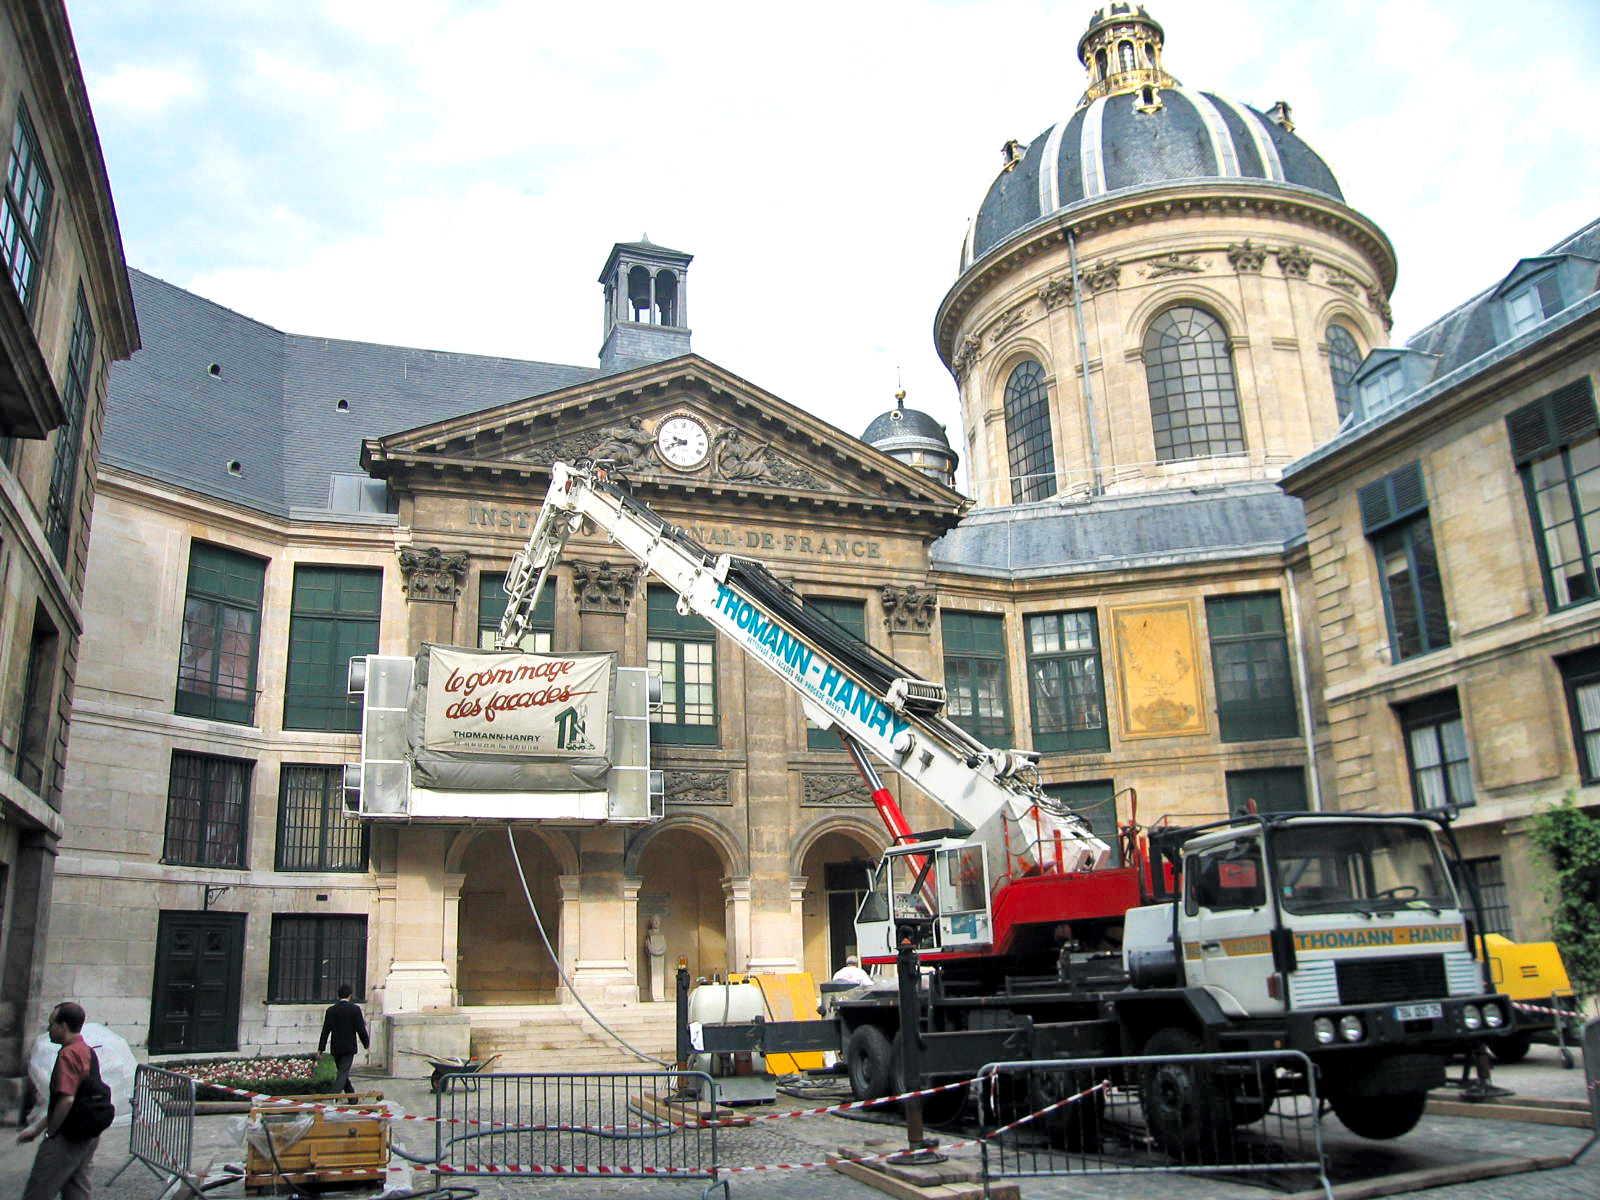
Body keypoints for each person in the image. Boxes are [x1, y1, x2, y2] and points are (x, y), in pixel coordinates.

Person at [17, 1001, 102, 1200]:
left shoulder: (68, 1054)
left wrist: (51, 1133)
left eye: (51, 1024)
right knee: (77, 1188)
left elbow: (66, 1099)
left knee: (39, 1188)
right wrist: (37, 1128)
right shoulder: (86, 1050)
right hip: (89, 1131)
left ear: (63, 1026)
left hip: (68, 1133)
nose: (49, 1029)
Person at [318, 984, 370, 1096]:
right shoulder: (355, 1009)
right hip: (349, 1047)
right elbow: (360, 1028)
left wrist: (320, 1049)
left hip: (336, 1047)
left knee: (342, 1073)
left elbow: (325, 1031)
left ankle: (352, 1097)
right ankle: (332, 1097)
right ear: (350, 995)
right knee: (343, 1073)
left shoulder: (331, 1010)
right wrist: (366, 1043)